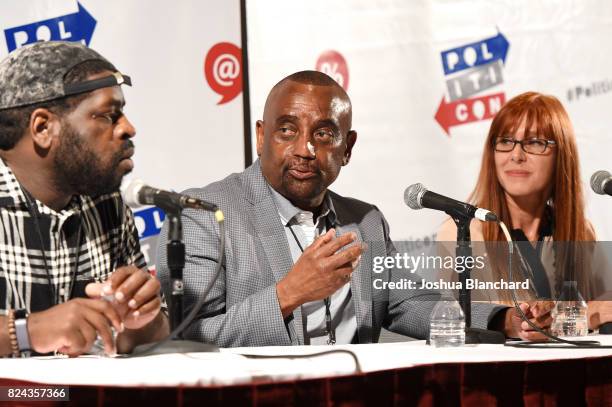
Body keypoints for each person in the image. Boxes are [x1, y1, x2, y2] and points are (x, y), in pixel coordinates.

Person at [157, 71, 549, 347]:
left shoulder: (365, 221)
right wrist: (288, 294)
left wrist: (503, 320)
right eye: (287, 130)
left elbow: (408, 302)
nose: (304, 149)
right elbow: (188, 337)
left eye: (324, 134)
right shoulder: (205, 214)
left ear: (347, 147)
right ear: (261, 136)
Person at [0, 41, 168, 357]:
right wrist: (27, 331)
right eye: (108, 115)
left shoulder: (109, 206)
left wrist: (141, 320)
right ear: (43, 127)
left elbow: (150, 337)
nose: (129, 128)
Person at [438, 91, 612, 331]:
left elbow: (605, 303)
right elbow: (468, 322)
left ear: (561, 154)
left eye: (534, 142)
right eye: (506, 141)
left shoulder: (580, 230)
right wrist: (584, 315)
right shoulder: (463, 232)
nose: (516, 155)